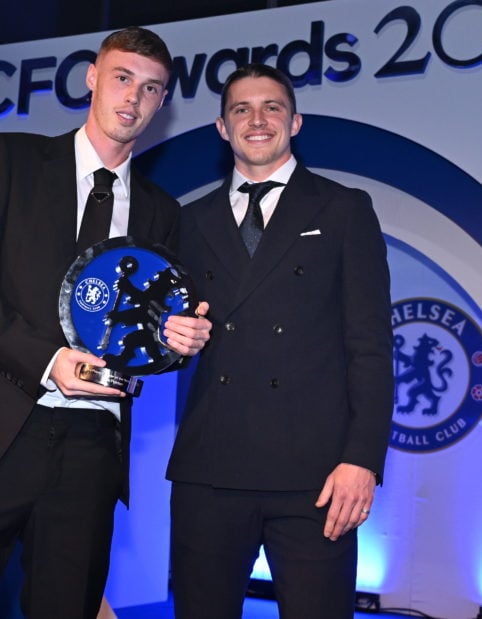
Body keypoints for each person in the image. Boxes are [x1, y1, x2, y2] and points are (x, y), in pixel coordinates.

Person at [0, 26, 211, 619]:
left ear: (162, 104)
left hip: (91, 447)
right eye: (123, 78)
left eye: (151, 89)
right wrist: (48, 361)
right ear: (93, 78)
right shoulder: (12, 159)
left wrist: (180, 341)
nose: (133, 98)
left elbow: (152, 333)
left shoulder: (161, 212)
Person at [166, 63, 394, 619]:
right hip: (210, 469)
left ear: (295, 122)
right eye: (241, 109)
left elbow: (370, 345)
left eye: (271, 107)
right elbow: (168, 340)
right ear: (223, 129)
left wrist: (362, 459)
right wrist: (171, 341)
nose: (257, 119)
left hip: (315, 477)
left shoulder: (343, 209)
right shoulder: (187, 222)